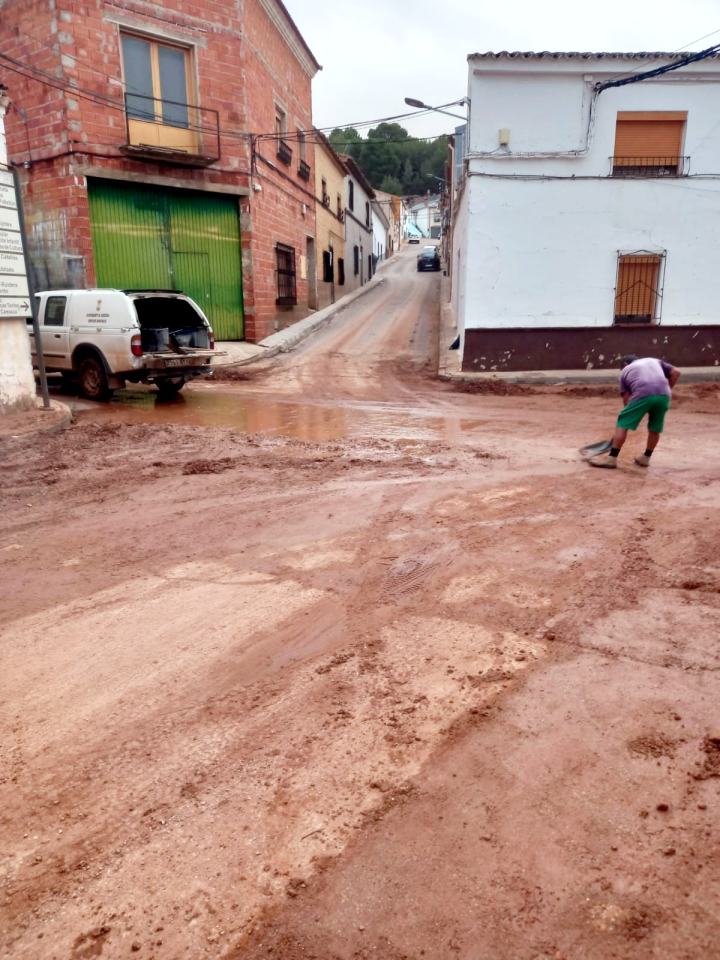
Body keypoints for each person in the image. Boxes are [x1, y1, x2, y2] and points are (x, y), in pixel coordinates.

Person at [589, 354, 680, 469]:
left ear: (625, 365)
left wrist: (628, 417)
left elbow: (626, 400)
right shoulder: (653, 360)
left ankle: (611, 458)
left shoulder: (625, 371)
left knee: (622, 422)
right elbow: (676, 372)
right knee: (654, 428)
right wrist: (667, 390)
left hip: (643, 393)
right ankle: (646, 458)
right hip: (664, 396)